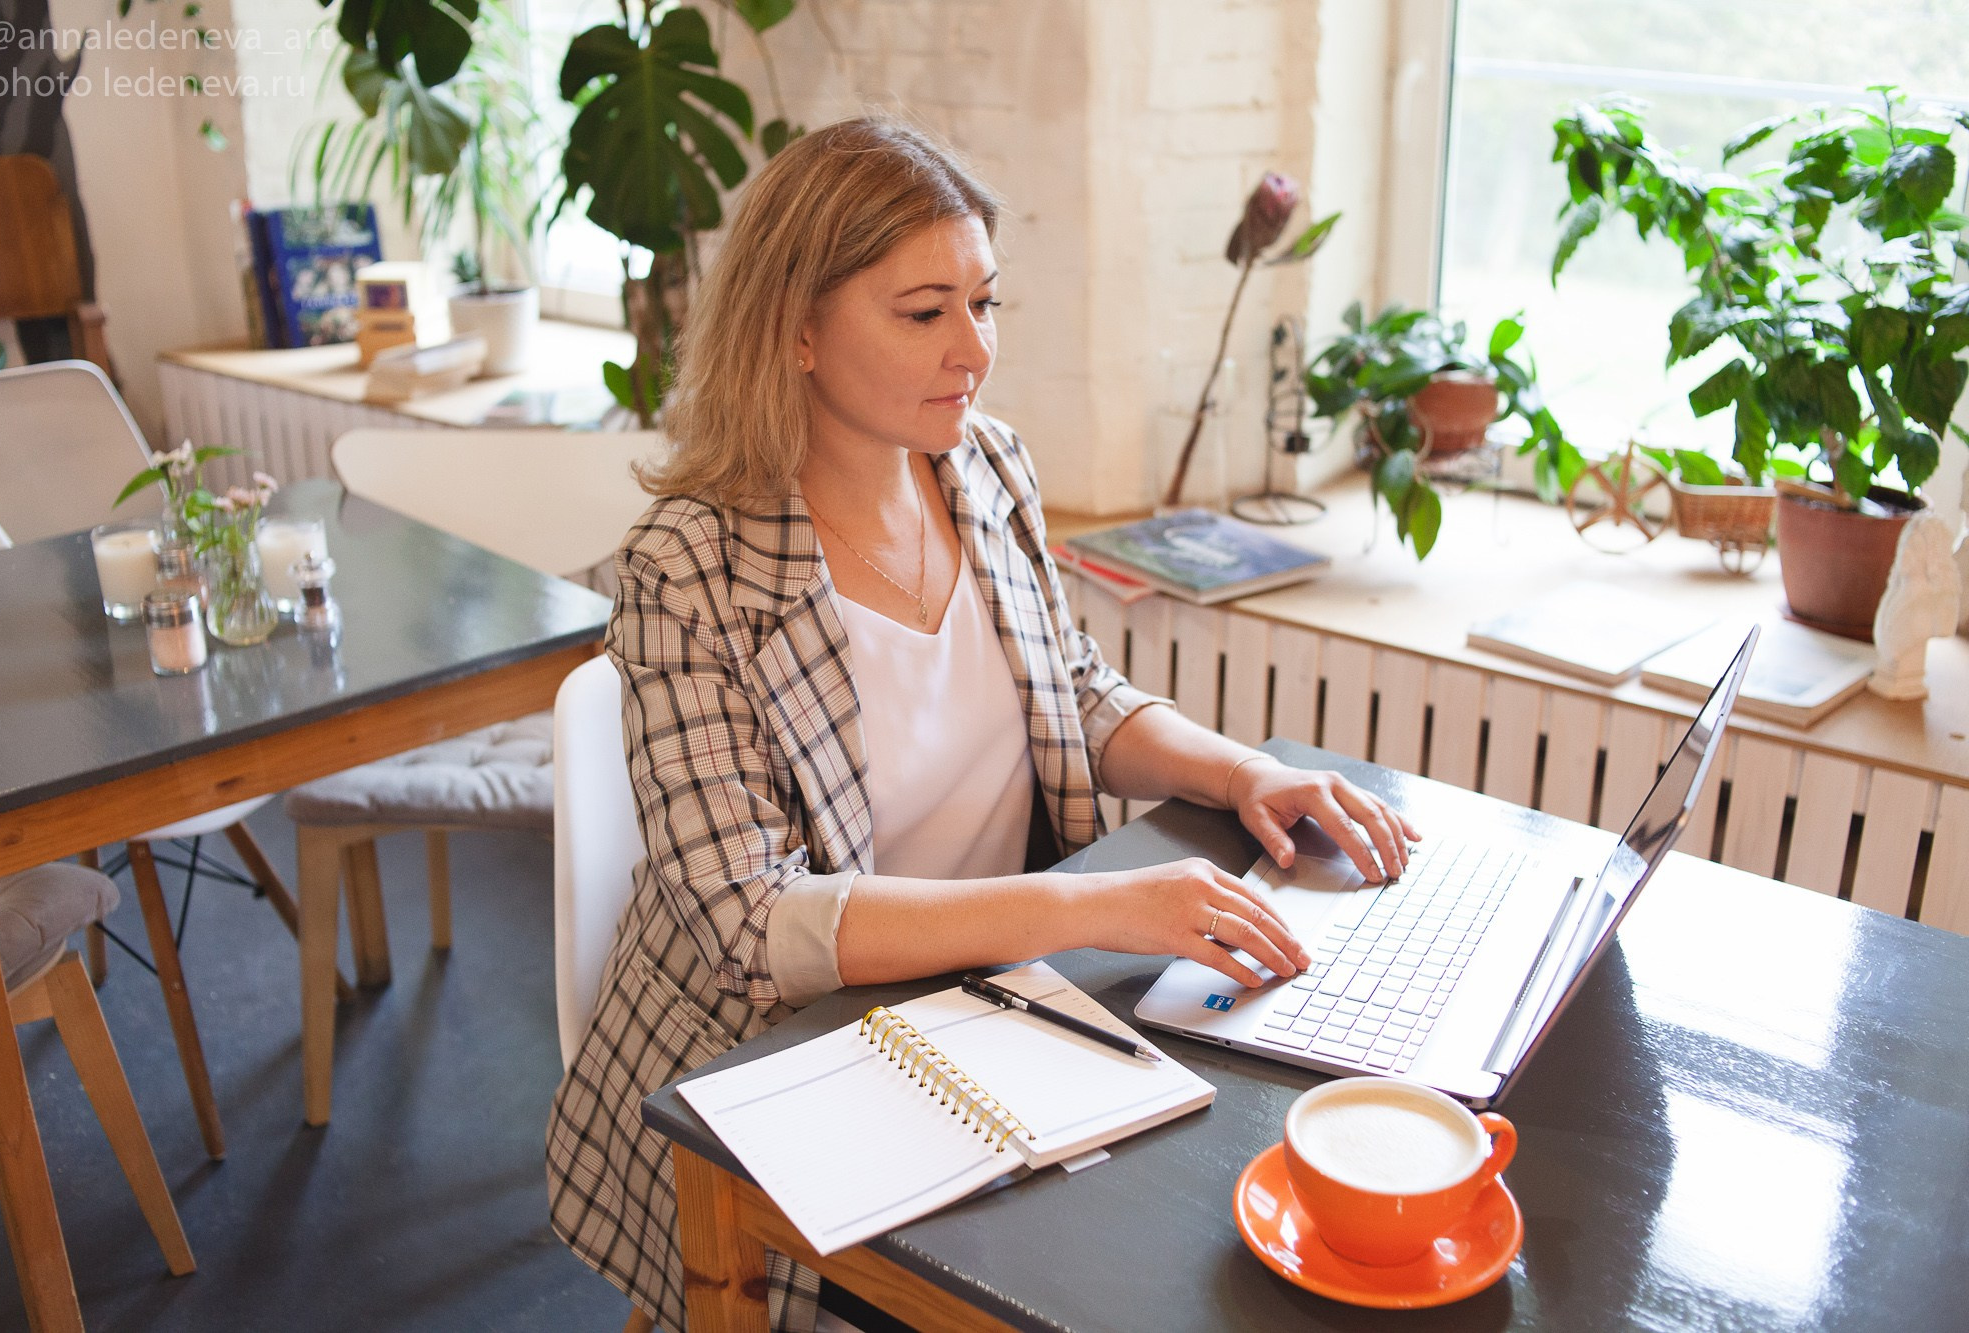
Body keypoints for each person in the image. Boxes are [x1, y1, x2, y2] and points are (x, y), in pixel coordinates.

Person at [546, 116, 1417, 1333]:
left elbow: (1068, 687)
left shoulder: (981, 467)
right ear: (794, 329)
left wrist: (1243, 772)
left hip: (987, 997)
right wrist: (1099, 905)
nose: (974, 350)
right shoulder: (686, 570)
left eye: (985, 303)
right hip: (778, 1051)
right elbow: (752, 925)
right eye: (923, 312)